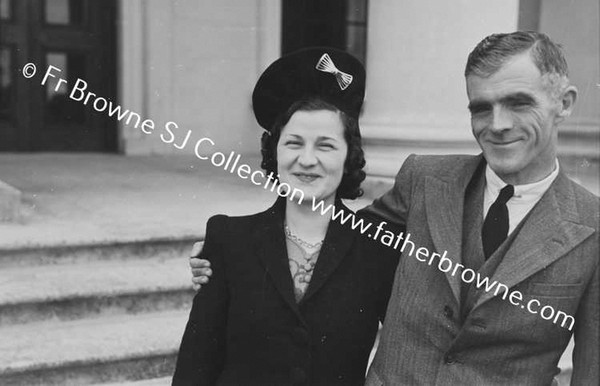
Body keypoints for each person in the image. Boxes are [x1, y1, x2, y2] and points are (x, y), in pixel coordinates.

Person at [190, 32, 599, 385]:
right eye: (481, 107)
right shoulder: (425, 179)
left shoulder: (592, 228)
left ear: (563, 103)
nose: (498, 123)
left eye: (519, 103)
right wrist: (228, 252)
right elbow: (341, 236)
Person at [173, 47, 399, 386]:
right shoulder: (229, 237)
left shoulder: (378, 245)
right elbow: (197, 362)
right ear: (274, 152)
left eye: (325, 145)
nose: (307, 160)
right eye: (294, 143)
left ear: (349, 156)